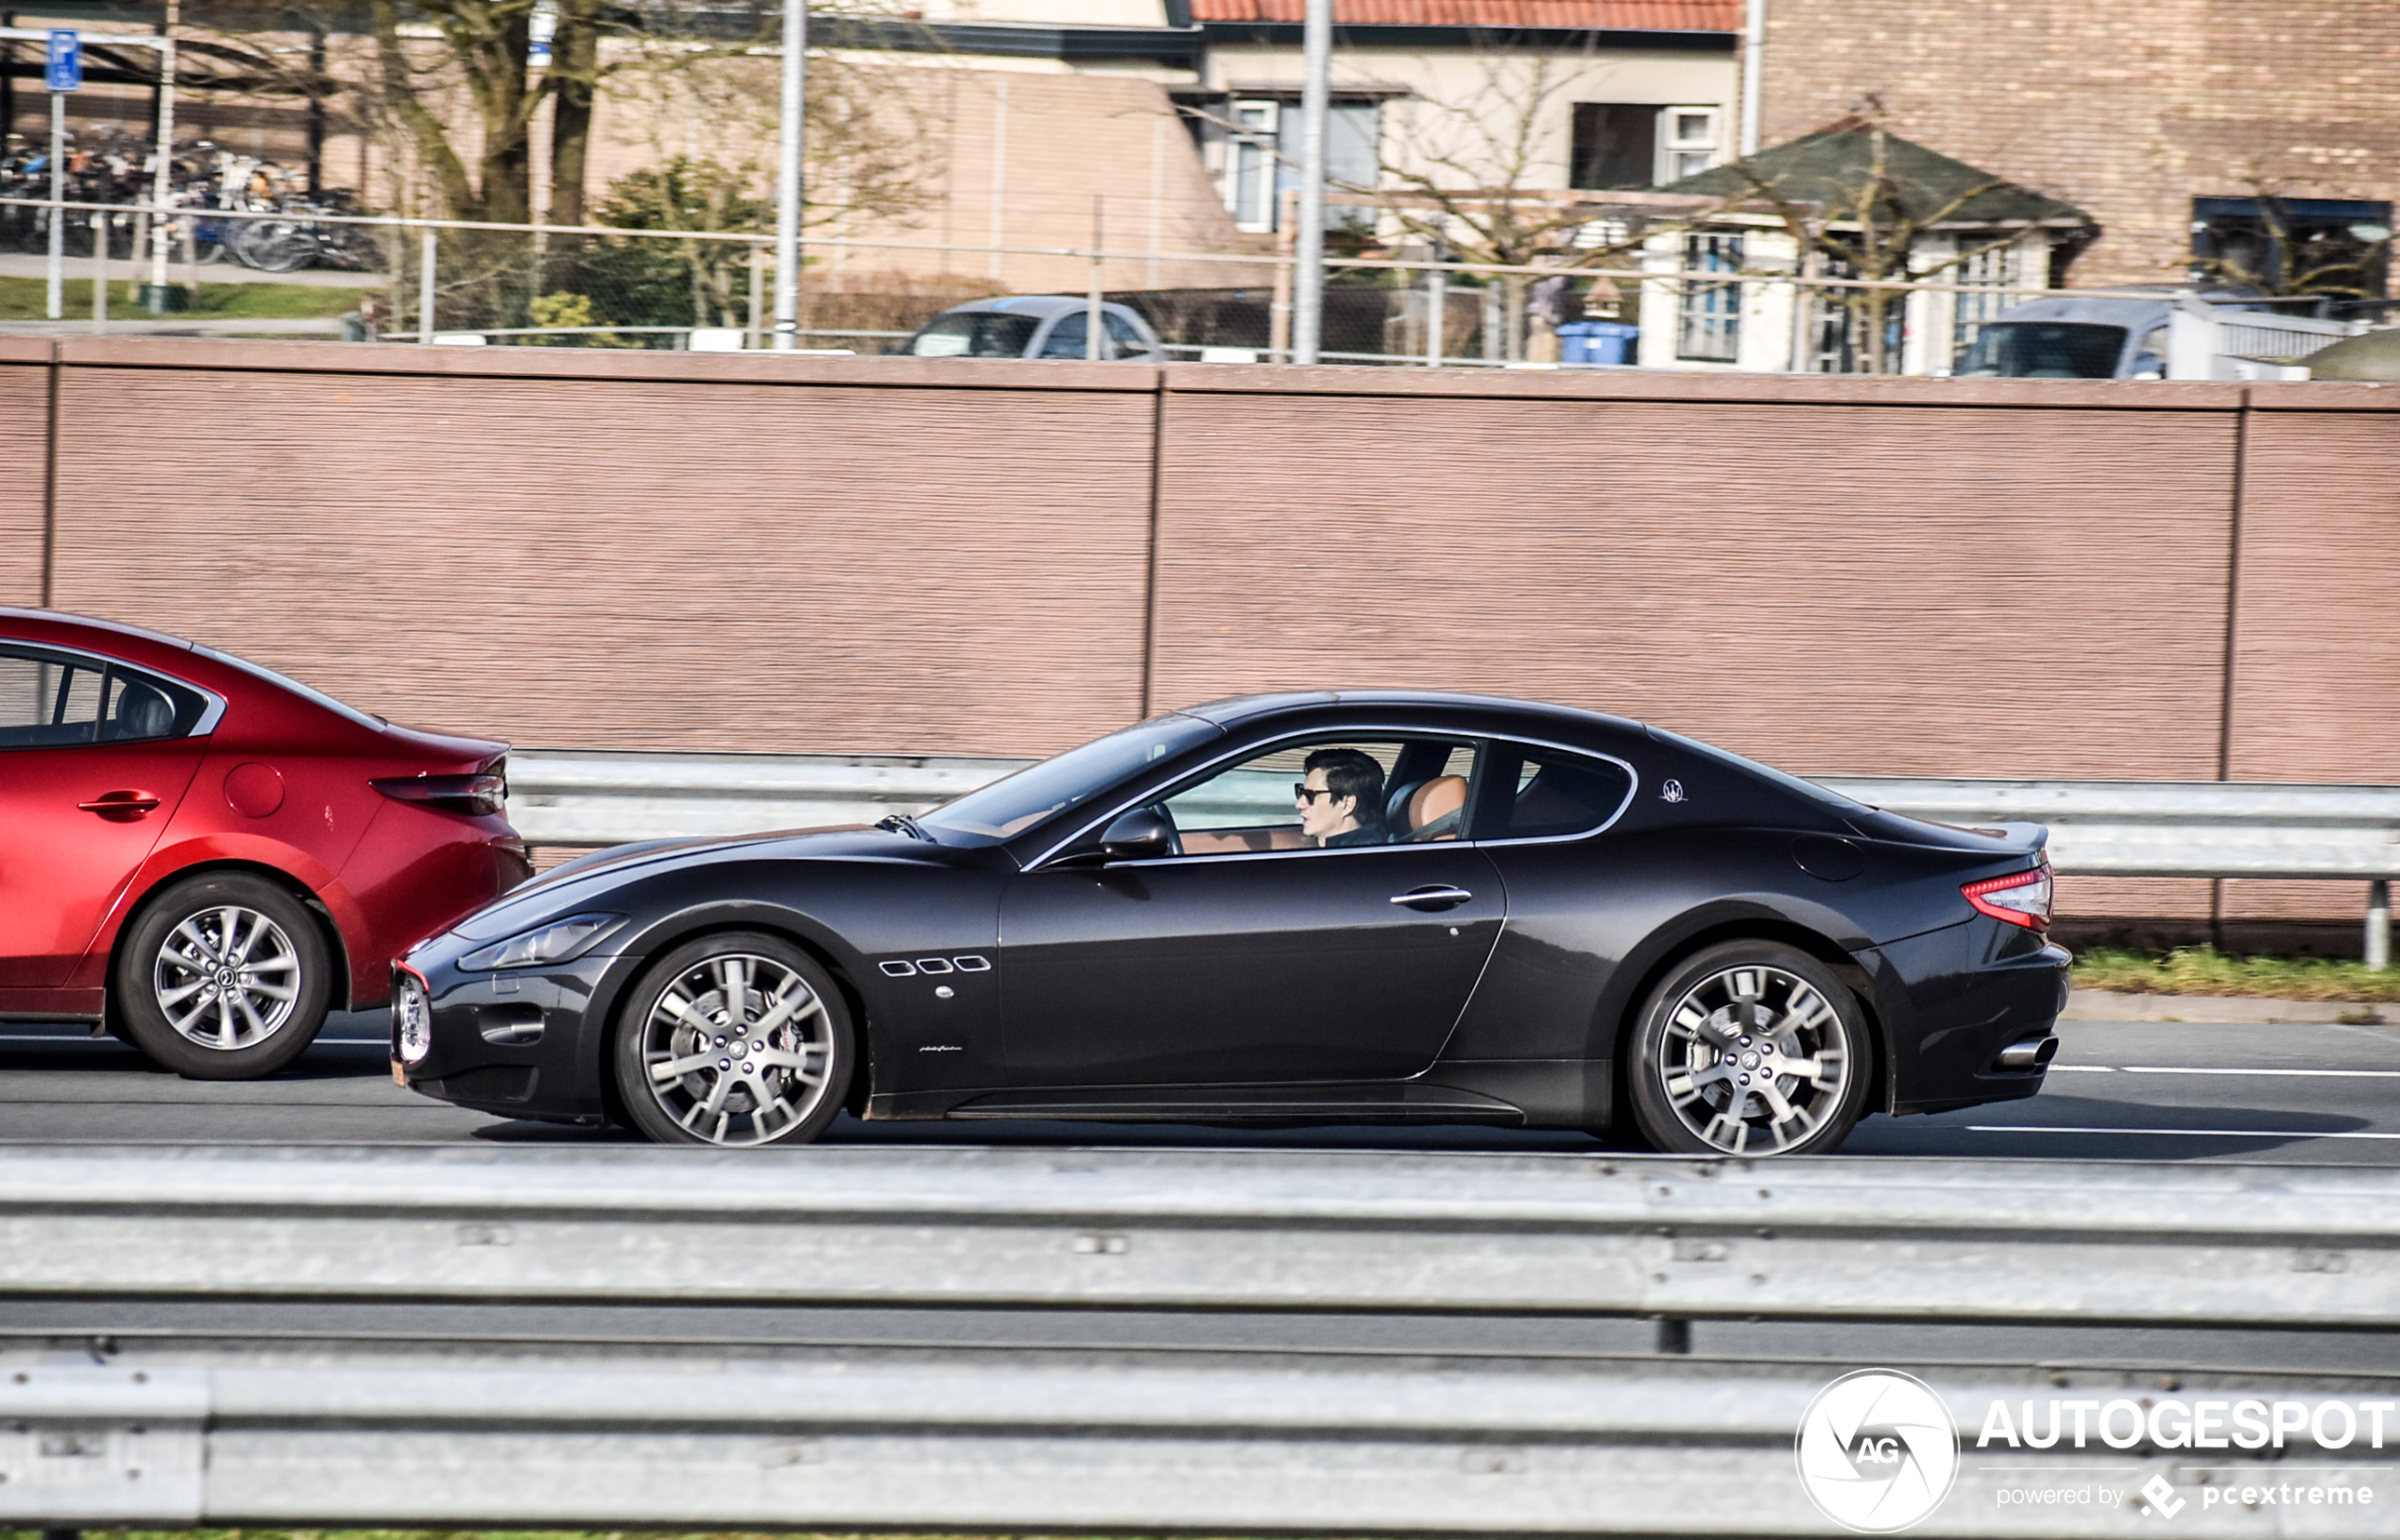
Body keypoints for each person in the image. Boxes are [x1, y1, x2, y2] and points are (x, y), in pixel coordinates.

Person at [1294, 747, 1386, 847]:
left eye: (1310, 795)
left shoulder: (1362, 858)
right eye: (1301, 792)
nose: (1299, 804)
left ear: (1347, 804)